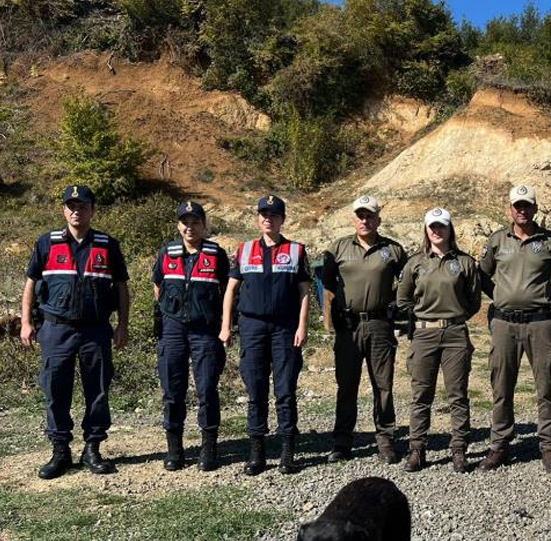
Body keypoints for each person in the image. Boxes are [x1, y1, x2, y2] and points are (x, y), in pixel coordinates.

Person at [20, 184, 130, 480]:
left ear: (92, 210)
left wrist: (123, 325)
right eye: (71, 206)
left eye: (82, 206)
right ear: (63, 210)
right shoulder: (47, 243)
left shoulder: (107, 245)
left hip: (95, 329)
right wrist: (26, 322)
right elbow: (31, 282)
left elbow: (121, 287)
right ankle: (60, 450)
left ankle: (92, 448)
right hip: (56, 329)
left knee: (98, 390)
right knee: (56, 390)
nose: (76, 211)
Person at [477, 185, 551, 473]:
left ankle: (549, 446)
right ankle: (499, 445)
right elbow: (482, 276)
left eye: (527, 205)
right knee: (501, 386)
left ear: (535, 208)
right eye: (517, 205)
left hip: (540, 323)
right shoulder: (496, 241)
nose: (522, 210)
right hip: (504, 323)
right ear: (510, 209)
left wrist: (550, 295)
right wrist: (501, 295)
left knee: (547, 386)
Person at [220, 195, 311, 476]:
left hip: (285, 328)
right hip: (252, 328)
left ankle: (287, 454)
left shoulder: (296, 250)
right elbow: (231, 290)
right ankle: (257, 454)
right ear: (257, 218)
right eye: (263, 214)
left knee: (285, 391)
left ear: (283, 219)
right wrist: (226, 326)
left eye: (274, 214)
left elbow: (305, 292)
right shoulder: (244, 250)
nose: (267, 219)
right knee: (256, 390)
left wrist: (302, 325)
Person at [321, 195, 408, 464]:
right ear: (353, 219)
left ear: (378, 219)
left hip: (380, 325)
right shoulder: (338, 249)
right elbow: (326, 285)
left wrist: (399, 314)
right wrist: (329, 320)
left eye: (369, 215)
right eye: (360, 215)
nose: (364, 220)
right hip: (348, 327)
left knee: (383, 385)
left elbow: (407, 285)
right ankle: (342, 442)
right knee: (346, 386)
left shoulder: (393, 250)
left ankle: (385, 441)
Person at [396, 208, 482, 473]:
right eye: (432, 226)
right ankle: (417, 450)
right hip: (424, 334)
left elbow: (474, 301)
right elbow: (403, 298)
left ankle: (459, 450)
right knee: (421, 395)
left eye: (441, 226)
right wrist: (425, 316)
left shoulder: (465, 262)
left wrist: (453, 317)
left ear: (449, 229)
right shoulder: (415, 263)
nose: (436, 231)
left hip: (455, 334)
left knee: (457, 395)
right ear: (426, 230)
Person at [152, 201, 230, 471]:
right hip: (172, 330)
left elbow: (227, 290)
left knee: (207, 389)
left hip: (205, 331)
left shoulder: (216, 254)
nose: (190, 227)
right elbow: (157, 286)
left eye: (195, 222)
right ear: (178, 225)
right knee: (173, 391)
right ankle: (175, 450)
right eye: (185, 222)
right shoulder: (166, 253)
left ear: (203, 225)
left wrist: (224, 326)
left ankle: (209, 449)